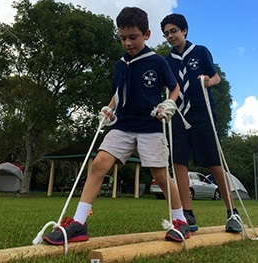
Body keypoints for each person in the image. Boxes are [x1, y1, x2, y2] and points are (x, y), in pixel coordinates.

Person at [44, 7, 190, 245]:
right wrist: (109, 107)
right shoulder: (120, 65)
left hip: (150, 125)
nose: (128, 43)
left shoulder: (157, 62)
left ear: (146, 34)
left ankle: (180, 221)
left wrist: (169, 104)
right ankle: (79, 224)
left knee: (161, 176)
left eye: (133, 37)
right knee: (99, 164)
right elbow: (118, 93)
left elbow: (174, 88)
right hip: (123, 124)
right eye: (123, 38)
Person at [160, 14, 243, 233]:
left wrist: (208, 81)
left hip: (202, 113)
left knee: (214, 162)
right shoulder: (167, 61)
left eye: (174, 31)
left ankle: (232, 213)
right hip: (178, 115)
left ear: (184, 30)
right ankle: (187, 215)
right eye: (166, 33)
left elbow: (216, 77)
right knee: (179, 162)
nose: (171, 36)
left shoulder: (200, 51)